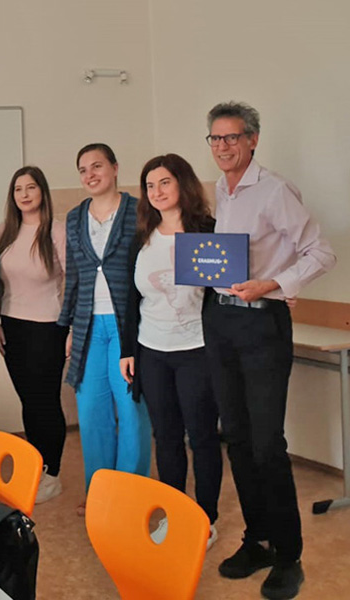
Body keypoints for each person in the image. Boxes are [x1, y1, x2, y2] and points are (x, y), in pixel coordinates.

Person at [203, 101, 335, 600]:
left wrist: (275, 284)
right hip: (221, 320)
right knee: (236, 438)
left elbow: (321, 252)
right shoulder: (221, 189)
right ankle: (256, 540)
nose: (223, 147)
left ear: (253, 140)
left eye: (232, 137)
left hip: (262, 323)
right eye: (215, 138)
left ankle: (288, 555)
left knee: (266, 445)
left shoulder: (275, 190)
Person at [119, 153, 222, 548]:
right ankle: (175, 515)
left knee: (202, 438)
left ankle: (205, 520)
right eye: (150, 185)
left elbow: (222, 293)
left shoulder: (207, 232)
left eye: (164, 182)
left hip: (197, 350)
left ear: (182, 184)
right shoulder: (142, 238)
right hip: (152, 352)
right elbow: (131, 300)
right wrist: (128, 350)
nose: (157, 191)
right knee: (165, 437)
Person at [58, 143, 152, 516]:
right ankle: (99, 492)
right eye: (83, 169)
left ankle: (130, 494)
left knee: (130, 408)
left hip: (128, 324)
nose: (90, 175)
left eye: (97, 166)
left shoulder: (139, 210)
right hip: (87, 324)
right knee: (91, 410)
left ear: (114, 168)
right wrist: (69, 326)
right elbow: (74, 276)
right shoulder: (74, 217)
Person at [0, 166, 68, 504]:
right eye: (18, 189)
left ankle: (52, 474)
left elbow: (73, 282)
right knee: (28, 400)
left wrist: (72, 328)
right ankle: (36, 466)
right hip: (12, 326)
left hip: (48, 327)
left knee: (45, 400)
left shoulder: (57, 231)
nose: (24, 194)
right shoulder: (5, 231)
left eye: (31, 187)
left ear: (42, 192)